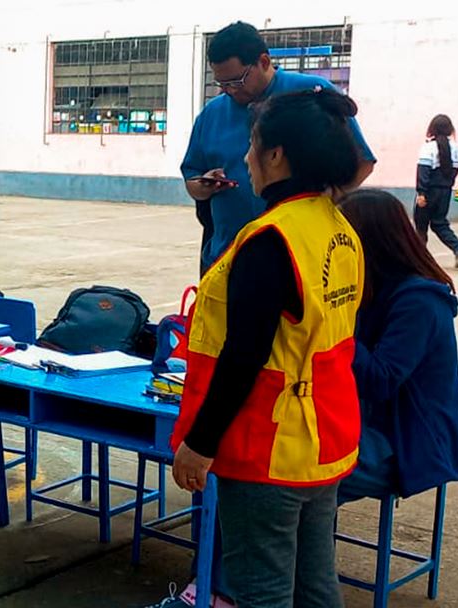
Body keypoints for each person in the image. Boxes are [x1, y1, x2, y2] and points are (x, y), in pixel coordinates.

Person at [171, 88, 366, 608]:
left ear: (276, 155)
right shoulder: (338, 227)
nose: (245, 158)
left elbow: (244, 356)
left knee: (262, 592)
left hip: (269, 444)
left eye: (253, 144)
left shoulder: (270, 239)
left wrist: (200, 441)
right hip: (324, 435)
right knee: (315, 585)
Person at [181, 21, 375, 275]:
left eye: (237, 81)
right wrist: (204, 185)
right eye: (222, 84)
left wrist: (324, 205)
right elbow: (191, 177)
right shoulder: (212, 114)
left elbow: (362, 161)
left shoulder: (311, 95)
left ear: (263, 61)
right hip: (227, 255)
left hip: (301, 255)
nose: (228, 91)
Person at [337, 189, 458, 504]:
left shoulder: (419, 301)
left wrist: (336, 321)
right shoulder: (374, 287)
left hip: (407, 441)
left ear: (368, 243)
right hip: (368, 423)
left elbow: (379, 380)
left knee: (291, 479)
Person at [415, 114, 458, 268]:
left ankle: (419, 258)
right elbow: (455, 171)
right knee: (439, 223)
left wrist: (421, 193)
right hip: (445, 191)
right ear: (450, 129)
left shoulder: (428, 147)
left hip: (429, 190)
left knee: (421, 225)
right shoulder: (457, 148)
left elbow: (423, 171)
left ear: (432, 128)